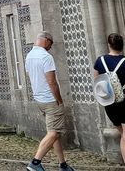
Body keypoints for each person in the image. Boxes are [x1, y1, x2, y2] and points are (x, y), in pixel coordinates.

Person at [93, 33, 125, 171]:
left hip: (110, 104)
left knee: (123, 135)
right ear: (122, 45)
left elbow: (97, 83)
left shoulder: (99, 61)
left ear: (109, 45)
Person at [25, 31, 75, 171]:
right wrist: (59, 99)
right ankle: (35, 162)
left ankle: (63, 165)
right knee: (53, 133)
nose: (51, 47)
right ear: (46, 40)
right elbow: (52, 82)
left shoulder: (29, 56)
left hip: (39, 99)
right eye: (51, 44)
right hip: (50, 99)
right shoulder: (46, 57)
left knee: (54, 132)